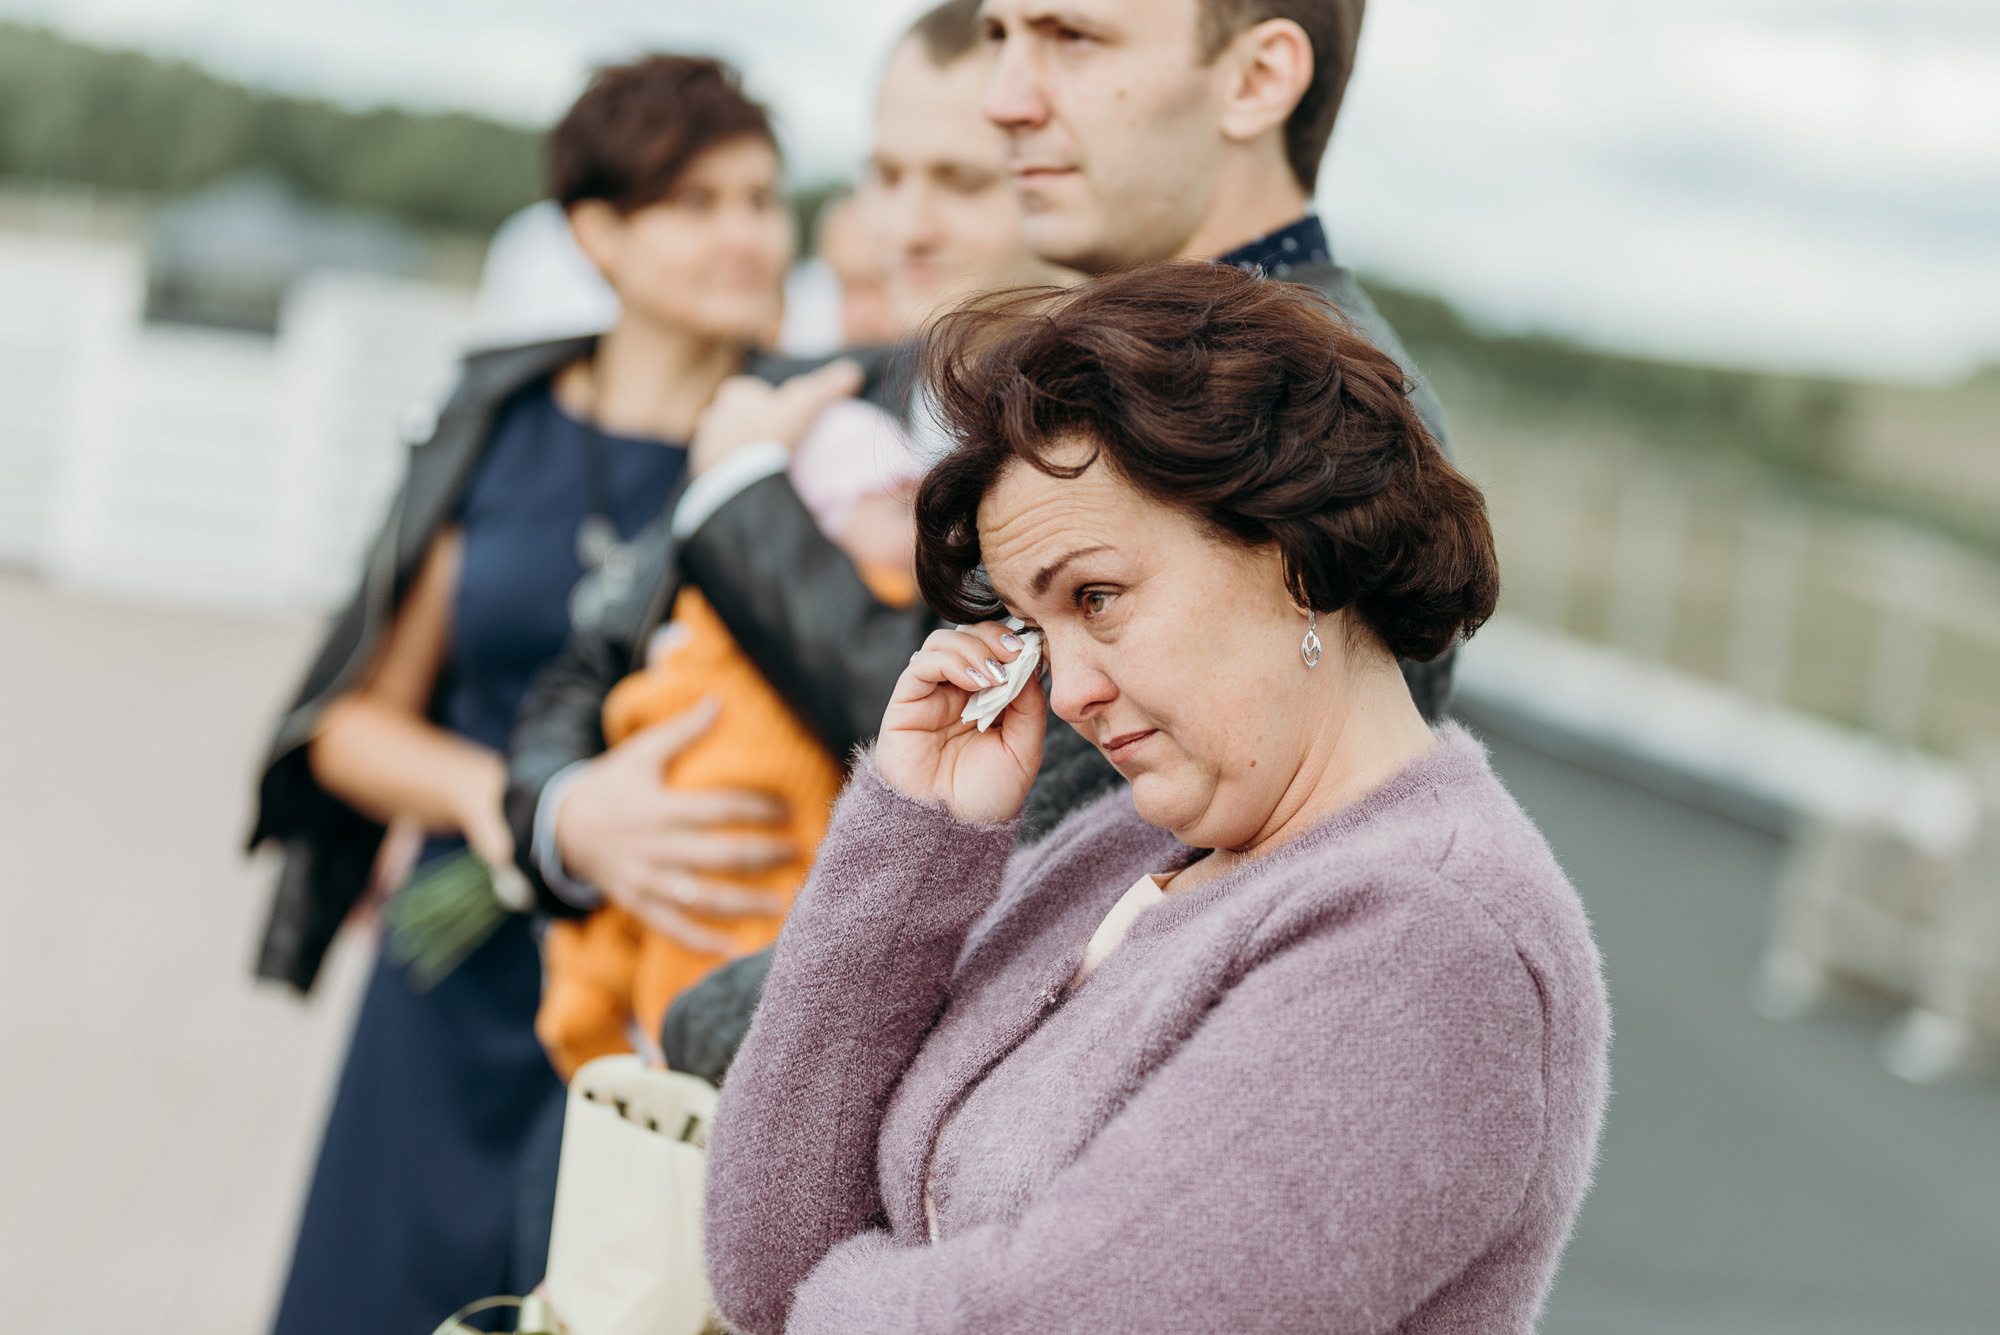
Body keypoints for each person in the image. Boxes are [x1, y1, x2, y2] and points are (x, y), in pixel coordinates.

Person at [705, 264, 1610, 1335]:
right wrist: (915, 842)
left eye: (1098, 597)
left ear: (1288, 548)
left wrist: (841, 1293)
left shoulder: (1432, 940)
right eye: (1039, 630)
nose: (1068, 690)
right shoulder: (1114, 845)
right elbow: (759, 1260)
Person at [249, 55, 829, 1333]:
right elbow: (350, 725)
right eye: (698, 202)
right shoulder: (497, 424)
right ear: (599, 233)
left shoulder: (816, 439)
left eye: (761, 198)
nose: (746, 235)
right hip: (454, 971)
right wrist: (535, 811)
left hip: (670, 989)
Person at [535, 399, 924, 1079]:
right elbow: (603, 686)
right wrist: (567, 811)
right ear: (820, 527)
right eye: (896, 508)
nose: (926, 531)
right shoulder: (731, 624)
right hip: (720, 911)